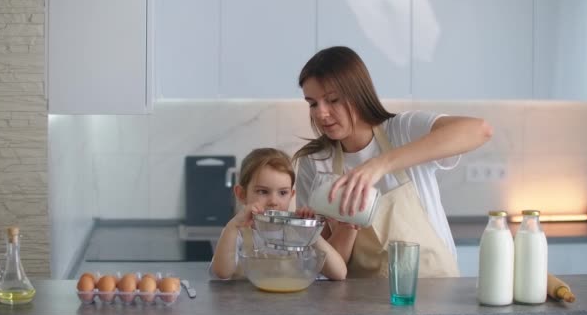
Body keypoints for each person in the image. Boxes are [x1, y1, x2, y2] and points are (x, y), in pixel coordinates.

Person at [293, 46, 493, 278]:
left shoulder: (403, 130)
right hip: (362, 303)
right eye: (313, 103)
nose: (321, 113)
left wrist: (380, 165)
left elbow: (480, 130)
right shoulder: (315, 163)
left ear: (357, 93)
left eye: (333, 100)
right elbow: (323, 266)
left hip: (436, 290)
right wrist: (346, 227)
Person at [210, 148, 347, 280]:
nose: (274, 202)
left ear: (291, 195)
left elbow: (339, 273)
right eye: (263, 191)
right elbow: (222, 272)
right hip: (248, 302)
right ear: (242, 194)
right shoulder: (237, 233)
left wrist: (311, 232)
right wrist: (233, 225)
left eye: (283, 193)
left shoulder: (298, 234)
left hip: (292, 303)